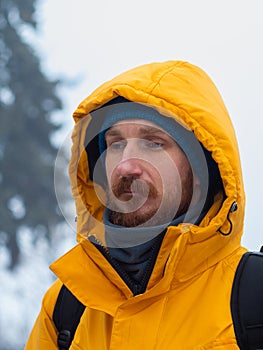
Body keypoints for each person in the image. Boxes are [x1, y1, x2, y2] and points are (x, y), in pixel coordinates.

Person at [26, 60, 247, 349]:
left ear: (200, 173)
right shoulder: (65, 309)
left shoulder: (252, 303)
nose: (126, 165)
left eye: (154, 143)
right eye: (115, 144)